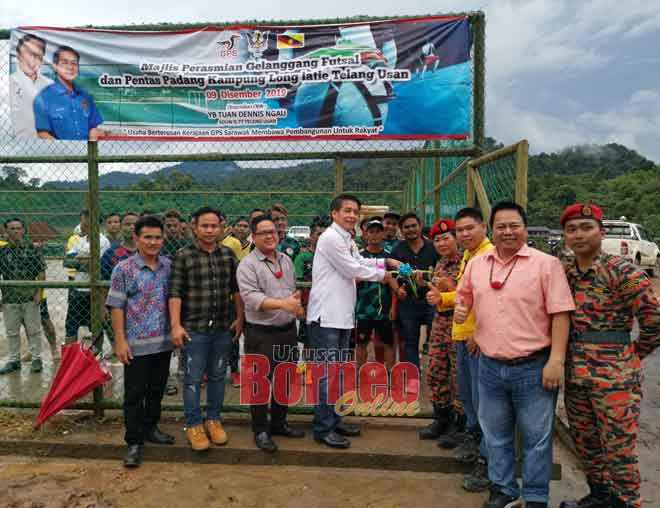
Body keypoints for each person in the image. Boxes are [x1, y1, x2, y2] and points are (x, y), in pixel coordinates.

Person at [455, 201, 575, 508]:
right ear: (491, 230)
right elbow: (464, 295)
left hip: (533, 367)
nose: (507, 231)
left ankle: (535, 497)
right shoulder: (477, 264)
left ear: (524, 227)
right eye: (501, 226)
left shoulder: (546, 264)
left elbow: (561, 313)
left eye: (514, 225)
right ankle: (503, 488)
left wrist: (556, 360)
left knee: (536, 438)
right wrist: (461, 309)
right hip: (489, 366)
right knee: (495, 434)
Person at [559, 203, 660, 508]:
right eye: (572, 229)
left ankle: (628, 501)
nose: (579, 235)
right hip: (576, 376)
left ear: (601, 232)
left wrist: (631, 356)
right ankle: (600, 497)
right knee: (586, 444)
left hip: (615, 380)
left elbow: (654, 322)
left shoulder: (622, 271)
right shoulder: (565, 273)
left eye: (586, 227)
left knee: (619, 450)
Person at [306, 194, 399, 448]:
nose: (351, 216)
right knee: (326, 374)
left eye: (355, 212)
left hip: (342, 316)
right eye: (347, 211)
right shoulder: (330, 238)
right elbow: (352, 269)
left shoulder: (346, 238)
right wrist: (385, 275)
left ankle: (334, 421)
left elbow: (358, 261)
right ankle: (323, 428)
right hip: (326, 317)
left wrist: (386, 261)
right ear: (334, 213)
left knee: (336, 373)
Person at [168, 207, 244, 452]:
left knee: (218, 376)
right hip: (194, 329)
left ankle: (213, 419)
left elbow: (236, 290)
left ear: (220, 227)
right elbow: (175, 293)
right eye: (205, 226)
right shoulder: (183, 256)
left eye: (214, 226)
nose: (210, 231)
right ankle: (193, 424)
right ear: (194, 227)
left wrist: (240, 318)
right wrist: (176, 325)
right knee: (191, 379)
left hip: (223, 326)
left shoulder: (228, 255)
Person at [106, 215, 175, 468]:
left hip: (163, 343)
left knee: (156, 389)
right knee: (134, 394)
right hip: (135, 345)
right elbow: (116, 306)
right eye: (148, 237)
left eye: (157, 237)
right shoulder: (123, 269)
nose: (153, 242)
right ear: (136, 239)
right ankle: (134, 441)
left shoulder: (169, 266)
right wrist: (120, 341)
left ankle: (151, 428)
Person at [237, 214, 306, 452]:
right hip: (260, 332)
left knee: (284, 379)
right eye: (263, 232)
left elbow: (291, 289)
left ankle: (278, 423)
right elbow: (250, 297)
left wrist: (295, 303)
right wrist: (283, 304)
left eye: (273, 232)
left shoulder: (286, 260)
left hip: (287, 330)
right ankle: (260, 430)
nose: (270, 236)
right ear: (253, 237)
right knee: (260, 383)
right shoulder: (247, 265)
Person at [434, 206, 493, 483]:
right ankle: (474, 445)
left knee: (485, 404)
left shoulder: (487, 255)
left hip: (476, 339)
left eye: (470, 228)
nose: (465, 233)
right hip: (462, 334)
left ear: (483, 227)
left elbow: (491, 299)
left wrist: (480, 331)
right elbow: (466, 294)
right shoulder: (470, 256)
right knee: (469, 398)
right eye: (461, 230)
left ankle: (488, 463)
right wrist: (444, 299)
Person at [420, 219, 462, 442]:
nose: (442, 243)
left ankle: (459, 425)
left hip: (459, 325)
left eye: (446, 238)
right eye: (437, 239)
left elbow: (469, 296)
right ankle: (441, 418)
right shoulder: (441, 264)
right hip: (440, 323)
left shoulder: (467, 262)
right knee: (435, 370)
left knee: (458, 376)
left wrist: (449, 288)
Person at [389, 212, 438, 375]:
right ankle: (413, 376)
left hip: (431, 300)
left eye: (413, 226)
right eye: (406, 227)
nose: (410, 230)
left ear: (420, 225)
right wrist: (398, 289)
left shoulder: (433, 247)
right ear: (401, 231)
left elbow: (441, 271)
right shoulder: (397, 251)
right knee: (410, 340)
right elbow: (390, 275)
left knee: (437, 338)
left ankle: (436, 372)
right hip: (408, 302)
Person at [0, 218, 47, 374]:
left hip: (29, 296)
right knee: (12, 331)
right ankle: (14, 360)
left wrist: (39, 293)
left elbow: (41, 272)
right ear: (6, 231)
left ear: (24, 230)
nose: (16, 231)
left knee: (34, 330)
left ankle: (36, 358)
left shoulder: (32, 250)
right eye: (12, 228)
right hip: (9, 298)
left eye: (18, 228)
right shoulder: (3, 252)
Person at [63, 209, 111, 350]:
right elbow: (66, 262)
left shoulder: (103, 241)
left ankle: (95, 353)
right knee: (71, 324)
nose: (83, 224)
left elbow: (96, 267)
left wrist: (79, 261)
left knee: (95, 325)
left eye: (86, 221)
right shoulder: (80, 240)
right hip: (78, 288)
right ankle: (70, 354)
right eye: (82, 220)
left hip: (93, 291)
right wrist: (84, 261)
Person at [34, 45, 103, 140]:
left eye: (74, 63)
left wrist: (91, 144)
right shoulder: (43, 97)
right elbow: (42, 134)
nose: (70, 67)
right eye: (64, 63)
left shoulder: (85, 96)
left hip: (87, 152)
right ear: (55, 67)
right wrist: (64, 151)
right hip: (60, 153)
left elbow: (93, 127)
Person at [355, 219, 399, 370]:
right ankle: (360, 373)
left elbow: (394, 283)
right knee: (361, 343)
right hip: (363, 309)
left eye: (378, 231)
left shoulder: (389, 257)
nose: (374, 235)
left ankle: (390, 374)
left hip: (384, 308)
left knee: (388, 343)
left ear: (383, 234)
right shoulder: (359, 256)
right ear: (365, 234)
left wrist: (393, 307)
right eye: (371, 231)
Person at [10, 34, 53, 137]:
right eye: (29, 54)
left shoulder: (51, 85)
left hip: (48, 142)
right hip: (17, 144)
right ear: (18, 56)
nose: (32, 61)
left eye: (37, 56)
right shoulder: (7, 83)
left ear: (42, 60)